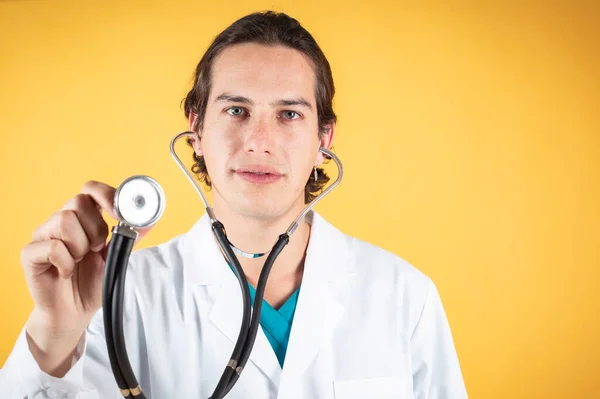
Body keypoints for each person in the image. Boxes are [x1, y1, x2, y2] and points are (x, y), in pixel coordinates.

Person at [0, 11, 468, 399]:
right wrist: (53, 340)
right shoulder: (118, 298)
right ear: (197, 129)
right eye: (236, 110)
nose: (259, 142)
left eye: (289, 114)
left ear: (324, 139)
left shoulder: (405, 296)